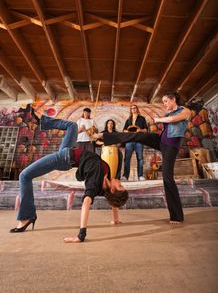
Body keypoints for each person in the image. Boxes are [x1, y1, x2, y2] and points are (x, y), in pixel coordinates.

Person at [9, 110, 128, 243]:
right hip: (69, 150)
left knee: (24, 176)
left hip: (63, 159)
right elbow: (114, 200)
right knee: (73, 126)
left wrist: (81, 235)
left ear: (113, 189)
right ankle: (42, 121)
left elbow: (86, 202)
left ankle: (26, 217)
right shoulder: (108, 176)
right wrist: (116, 219)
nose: (120, 182)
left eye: (120, 186)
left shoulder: (95, 182)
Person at [93, 93, 191, 224]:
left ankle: (177, 216)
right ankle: (105, 137)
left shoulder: (185, 111)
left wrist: (158, 119)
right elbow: (169, 122)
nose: (165, 104)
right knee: (136, 136)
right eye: (163, 101)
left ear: (173, 99)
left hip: (170, 146)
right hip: (160, 140)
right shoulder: (169, 114)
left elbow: (174, 120)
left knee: (167, 178)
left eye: (166, 101)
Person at [123, 104, 148, 181]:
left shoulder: (142, 119)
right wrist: (128, 131)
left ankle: (140, 176)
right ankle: (125, 176)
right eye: (132, 108)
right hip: (129, 141)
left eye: (134, 108)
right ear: (130, 110)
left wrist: (140, 130)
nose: (133, 109)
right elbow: (124, 130)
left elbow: (146, 130)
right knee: (127, 159)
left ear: (137, 109)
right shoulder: (128, 119)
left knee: (140, 159)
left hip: (139, 141)